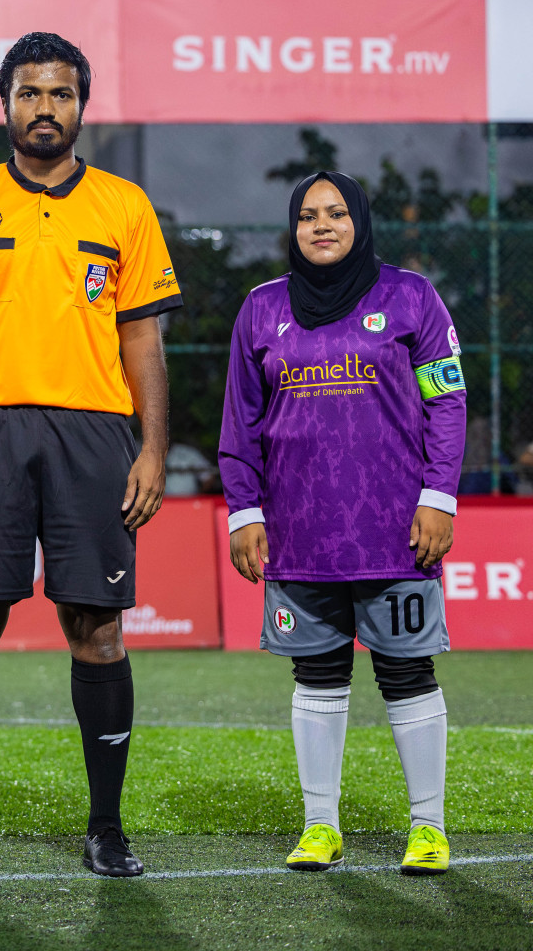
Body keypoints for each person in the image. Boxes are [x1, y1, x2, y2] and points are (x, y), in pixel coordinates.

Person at [0, 32, 182, 878]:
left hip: (94, 435)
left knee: (97, 632)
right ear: (5, 103)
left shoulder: (124, 207)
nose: (45, 108)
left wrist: (151, 448)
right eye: (30, 93)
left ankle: (107, 827)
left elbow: (145, 343)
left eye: (60, 94)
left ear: (81, 105)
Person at [220, 171, 465, 876]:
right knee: (317, 676)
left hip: (397, 530)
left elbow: (447, 404)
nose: (321, 225)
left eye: (334, 213)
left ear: (359, 220)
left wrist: (438, 497)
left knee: (407, 673)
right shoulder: (263, 309)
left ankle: (428, 828)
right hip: (299, 534)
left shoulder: (412, 297)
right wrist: (244, 508)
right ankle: (320, 826)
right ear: (292, 228)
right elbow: (243, 420)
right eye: (306, 215)